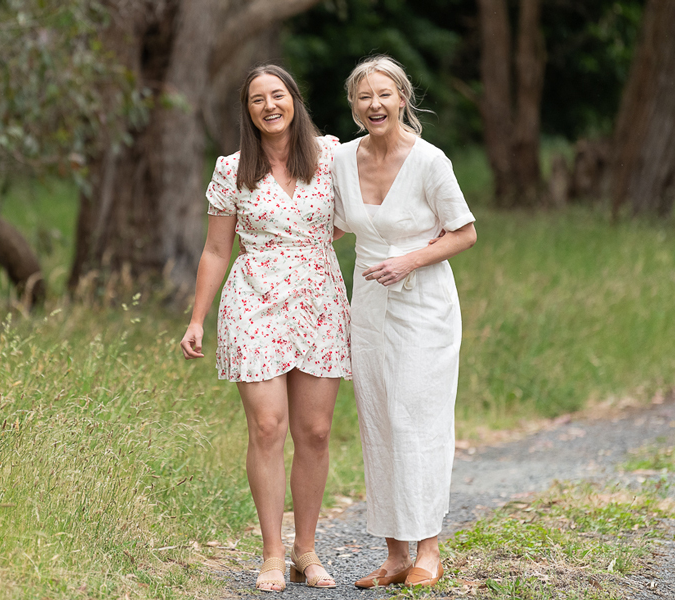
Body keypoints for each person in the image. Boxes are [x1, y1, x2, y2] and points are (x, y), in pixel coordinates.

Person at [179, 65, 351, 592]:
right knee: (269, 427)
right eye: (258, 99)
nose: (269, 105)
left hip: (320, 301)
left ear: (294, 100)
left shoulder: (330, 158)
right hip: (253, 303)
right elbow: (214, 249)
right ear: (248, 110)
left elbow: (355, 216)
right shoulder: (232, 170)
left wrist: (312, 248)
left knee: (315, 432)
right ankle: (273, 555)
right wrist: (196, 319)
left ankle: (307, 551)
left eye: (278, 95)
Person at [331, 55, 477, 589]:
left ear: (402, 99)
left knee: (416, 421)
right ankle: (394, 554)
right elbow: (334, 228)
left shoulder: (430, 161)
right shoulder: (341, 161)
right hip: (368, 307)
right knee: (378, 421)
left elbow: (464, 232)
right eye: (364, 97)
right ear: (353, 106)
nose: (375, 105)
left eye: (384, 95)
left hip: (424, 305)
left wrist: (409, 260)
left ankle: (428, 550)